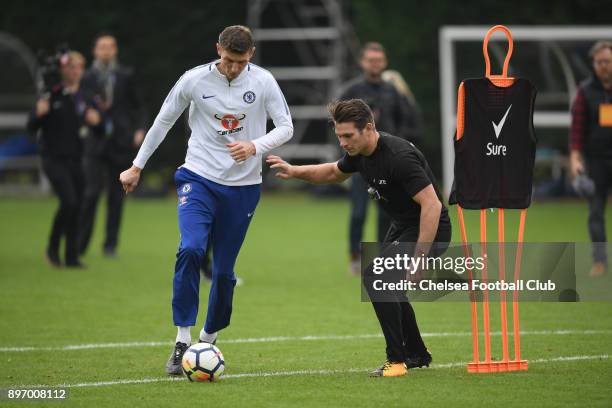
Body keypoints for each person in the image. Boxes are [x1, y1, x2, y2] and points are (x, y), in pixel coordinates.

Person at [119, 25, 293, 375]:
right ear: (218, 50)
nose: (232, 68)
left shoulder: (263, 82)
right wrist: (137, 166)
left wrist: (254, 146)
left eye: (240, 62)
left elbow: (285, 126)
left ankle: (208, 339)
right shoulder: (194, 80)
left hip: (243, 188)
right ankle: (182, 339)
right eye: (227, 60)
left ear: (251, 56)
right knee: (192, 249)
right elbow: (163, 121)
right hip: (197, 178)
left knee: (225, 273)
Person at [267, 99, 450, 377]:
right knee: (390, 286)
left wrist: (420, 258)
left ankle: (397, 362)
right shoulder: (360, 154)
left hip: (430, 227)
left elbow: (432, 205)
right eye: (339, 136)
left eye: (348, 136)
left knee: (376, 278)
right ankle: (416, 353)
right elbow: (332, 172)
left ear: (368, 128)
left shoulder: (399, 157)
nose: (343, 142)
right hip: (403, 225)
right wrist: (294, 171)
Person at [340, 42, 424, 275]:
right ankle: (355, 258)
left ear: (384, 63)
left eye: (378, 60)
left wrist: (400, 150)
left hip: (388, 163)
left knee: (386, 214)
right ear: (362, 62)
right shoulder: (351, 91)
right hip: (360, 163)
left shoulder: (393, 91)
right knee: (358, 212)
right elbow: (337, 125)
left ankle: (380, 258)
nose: (374, 64)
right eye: (370, 60)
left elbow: (407, 123)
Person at [27, 51, 101, 268]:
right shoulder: (51, 94)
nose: (74, 71)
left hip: (77, 159)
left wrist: (97, 121)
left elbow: (102, 130)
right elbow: (31, 127)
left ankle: (71, 256)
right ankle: (52, 249)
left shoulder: (86, 96)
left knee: (77, 205)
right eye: (70, 67)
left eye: (78, 67)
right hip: (53, 158)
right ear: (62, 70)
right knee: (68, 201)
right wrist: (38, 114)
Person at [79, 33, 147, 257]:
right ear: (95, 51)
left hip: (120, 142)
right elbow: (78, 105)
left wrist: (139, 129)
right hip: (95, 142)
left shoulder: (126, 75)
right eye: (102, 47)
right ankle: (80, 244)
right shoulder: (86, 77)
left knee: (117, 196)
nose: (106, 51)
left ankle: (110, 245)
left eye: (110, 47)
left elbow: (139, 105)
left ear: (115, 50)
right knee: (90, 193)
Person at [569, 40, 612, 278]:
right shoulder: (585, 92)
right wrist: (576, 158)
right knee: (595, 212)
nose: (603, 66)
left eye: (607, 61)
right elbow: (577, 129)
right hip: (596, 161)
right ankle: (599, 261)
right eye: (599, 62)